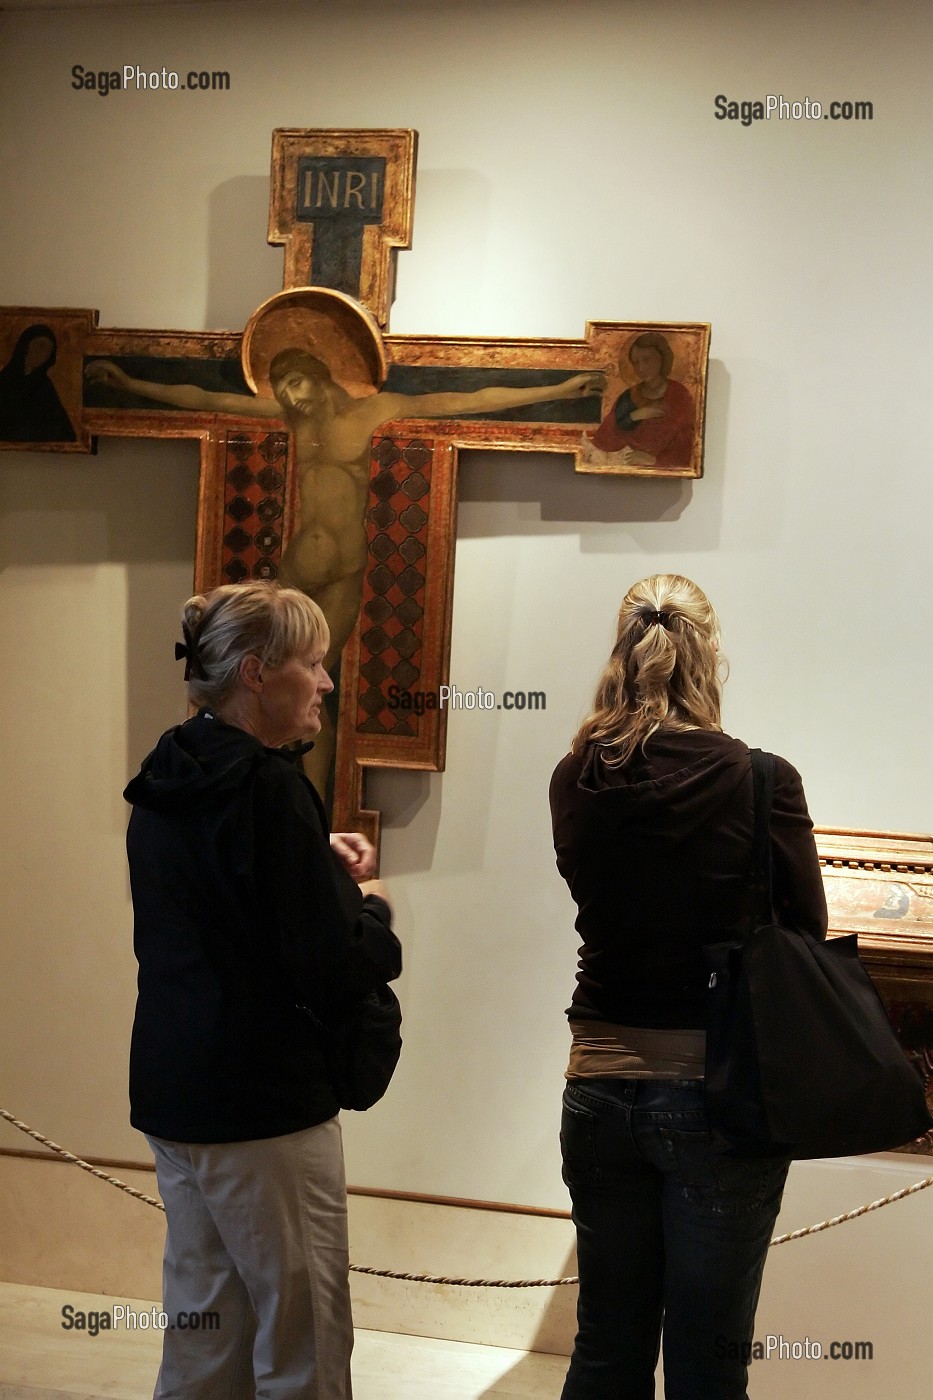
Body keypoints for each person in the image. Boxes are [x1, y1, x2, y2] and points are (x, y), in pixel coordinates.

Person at [549, 574, 827, 1400]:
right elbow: (803, 927)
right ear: (709, 657)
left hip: (596, 1081)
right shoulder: (760, 779)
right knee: (707, 1362)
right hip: (718, 1094)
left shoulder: (576, 776)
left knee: (605, 1348)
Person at [87, 352, 604, 794]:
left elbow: (455, 401)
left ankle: (308, 799)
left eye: (296, 382)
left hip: (341, 575)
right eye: (282, 387)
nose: (290, 396)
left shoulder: (373, 410)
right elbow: (204, 398)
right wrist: (131, 384)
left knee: (313, 688)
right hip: (294, 574)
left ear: (319, 375)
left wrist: (558, 386)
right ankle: (264, 785)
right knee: (260, 692)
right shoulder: (293, 419)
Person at [124, 580, 401, 1400]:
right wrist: (376, 908)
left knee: (204, 1327)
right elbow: (327, 960)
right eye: (311, 664)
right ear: (254, 672)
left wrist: (316, 864)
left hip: (177, 1088)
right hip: (262, 1102)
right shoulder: (269, 786)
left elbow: (228, 914)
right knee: (301, 1332)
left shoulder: (168, 774)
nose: (323, 682)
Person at [588, 331, 693, 467]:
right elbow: (605, 438)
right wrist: (635, 416)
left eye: (647, 359)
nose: (641, 368)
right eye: (636, 362)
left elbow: (686, 444)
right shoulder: (628, 396)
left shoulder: (679, 395)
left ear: (662, 357)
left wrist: (654, 460)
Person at [0, 322, 77, 442]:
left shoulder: (45, 387)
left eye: (48, 349)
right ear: (26, 345)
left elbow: (63, 429)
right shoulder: (4, 381)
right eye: (40, 345)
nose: (43, 353)